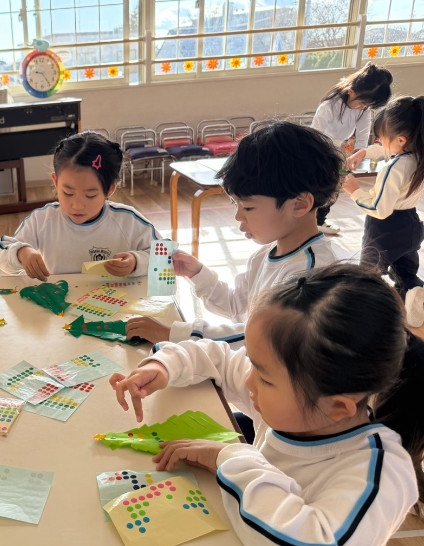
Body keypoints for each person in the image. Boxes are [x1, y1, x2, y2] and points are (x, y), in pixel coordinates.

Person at [110, 263, 422, 546]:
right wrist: (163, 366)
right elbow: (219, 357)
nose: (248, 380)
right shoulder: (301, 406)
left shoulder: (383, 473)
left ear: (337, 407)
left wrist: (231, 458)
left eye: (264, 377)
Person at [126, 122, 344, 348]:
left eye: (248, 207)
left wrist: (174, 335)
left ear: (299, 205)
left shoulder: (312, 275)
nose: (238, 216)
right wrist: (197, 273)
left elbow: (261, 340)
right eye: (235, 204)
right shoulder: (265, 255)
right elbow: (237, 307)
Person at [0, 131, 159, 280]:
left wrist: (136, 262)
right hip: (59, 302)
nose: (77, 206)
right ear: (56, 182)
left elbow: (166, 255)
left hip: (113, 302)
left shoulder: (127, 221)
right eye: (68, 193)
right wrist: (21, 253)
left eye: (90, 195)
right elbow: (2, 252)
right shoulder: (42, 220)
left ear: (110, 189)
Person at [343, 95, 424, 300]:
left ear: (401, 140)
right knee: (406, 274)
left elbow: (380, 209)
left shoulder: (393, 168)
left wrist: (355, 191)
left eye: (381, 138)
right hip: (411, 225)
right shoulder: (417, 156)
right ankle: (414, 300)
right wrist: (364, 152)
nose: (380, 143)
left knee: (367, 276)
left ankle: (368, 308)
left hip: (385, 229)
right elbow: (388, 150)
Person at [311, 62, 394, 235]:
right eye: (362, 103)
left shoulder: (364, 109)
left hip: (340, 149)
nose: (363, 108)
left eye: (368, 105)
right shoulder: (329, 106)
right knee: (317, 185)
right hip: (319, 148)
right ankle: (309, 221)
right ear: (352, 91)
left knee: (336, 185)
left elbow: (363, 131)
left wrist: (360, 152)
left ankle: (320, 221)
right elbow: (315, 133)